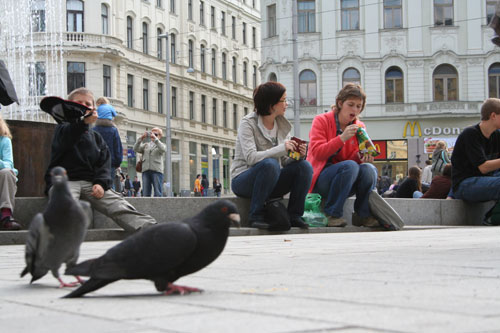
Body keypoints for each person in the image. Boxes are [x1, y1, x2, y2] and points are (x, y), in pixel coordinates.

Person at [43, 88, 156, 232]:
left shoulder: (96, 137)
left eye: (87, 104)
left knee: (118, 205)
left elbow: (104, 163)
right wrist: (83, 122)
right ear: (69, 105)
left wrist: (101, 183)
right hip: (65, 182)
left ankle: (150, 228)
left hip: (91, 183)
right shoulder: (61, 129)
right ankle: (60, 236)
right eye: (79, 103)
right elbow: (67, 138)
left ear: (94, 109)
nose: (84, 106)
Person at [231, 81, 312, 230]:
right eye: (283, 100)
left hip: (271, 178)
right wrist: (282, 148)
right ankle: (255, 216)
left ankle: (294, 215)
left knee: (304, 166)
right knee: (270, 164)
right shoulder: (248, 123)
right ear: (271, 104)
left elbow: (284, 161)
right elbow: (251, 158)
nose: (287, 104)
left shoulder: (282, 125)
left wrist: (298, 155)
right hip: (243, 179)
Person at [307, 83, 378, 228]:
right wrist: (341, 138)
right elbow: (317, 153)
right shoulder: (321, 120)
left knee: (368, 169)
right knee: (350, 166)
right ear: (340, 103)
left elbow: (351, 163)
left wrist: (362, 157)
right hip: (321, 178)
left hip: (345, 178)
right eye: (351, 104)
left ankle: (362, 215)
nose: (355, 110)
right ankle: (333, 213)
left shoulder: (360, 127)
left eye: (359, 106)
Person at [451, 98, 500, 204]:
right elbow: (483, 167)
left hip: (486, 180)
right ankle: (491, 218)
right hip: (464, 185)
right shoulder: (471, 134)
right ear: (493, 116)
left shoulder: (497, 135)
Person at [92, 109, 123, 190]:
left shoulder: (93, 129)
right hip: (111, 162)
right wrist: (118, 163)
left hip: (96, 162)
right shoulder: (113, 130)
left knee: (96, 183)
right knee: (110, 185)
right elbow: (118, 147)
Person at [0, 115, 21, 230]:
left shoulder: (4, 140)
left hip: (1, 181)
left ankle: (6, 215)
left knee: (7, 172)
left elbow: (9, 164)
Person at [133, 128, 166, 197]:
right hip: (146, 170)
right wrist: (141, 138)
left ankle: (158, 207)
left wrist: (156, 139)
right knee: (146, 192)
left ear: (160, 136)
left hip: (156, 170)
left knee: (158, 192)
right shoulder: (146, 145)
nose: (152, 136)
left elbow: (163, 149)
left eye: (155, 134)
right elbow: (135, 148)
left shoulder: (161, 145)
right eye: (151, 134)